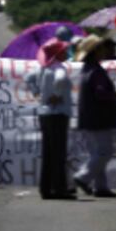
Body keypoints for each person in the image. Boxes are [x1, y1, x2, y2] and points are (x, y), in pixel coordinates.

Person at [73, 35, 116, 198]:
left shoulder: (87, 69)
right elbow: (101, 94)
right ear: (95, 52)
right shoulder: (96, 71)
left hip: (89, 118)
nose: (104, 51)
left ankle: (101, 187)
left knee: (97, 153)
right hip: (98, 118)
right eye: (101, 48)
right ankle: (82, 177)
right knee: (104, 153)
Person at [28, 38, 75, 200]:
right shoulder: (58, 68)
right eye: (63, 50)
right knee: (59, 153)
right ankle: (60, 189)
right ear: (57, 53)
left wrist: (37, 93)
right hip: (58, 114)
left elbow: (29, 78)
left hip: (44, 114)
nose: (66, 53)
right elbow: (61, 79)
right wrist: (57, 94)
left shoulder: (42, 68)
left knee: (48, 153)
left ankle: (46, 188)